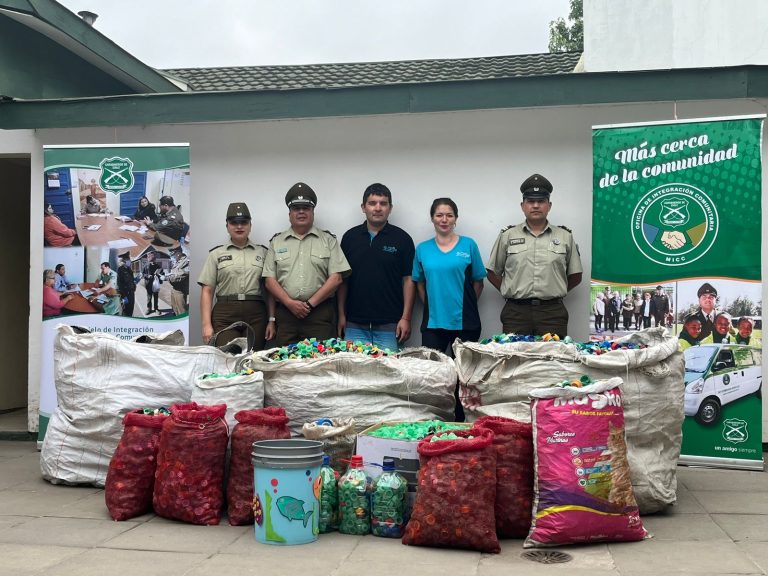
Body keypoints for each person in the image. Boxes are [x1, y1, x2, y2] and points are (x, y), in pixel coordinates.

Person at [486, 173, 582, 337]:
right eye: (530, 201)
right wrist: (509, 290)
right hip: (516, 313)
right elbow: (492, 272)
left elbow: (575, 275)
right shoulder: (507, 236)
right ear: (522, 205)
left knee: (552, 360)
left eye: (541, 201)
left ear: (549, 205)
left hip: (552, 313)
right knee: (515, 360)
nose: (536, 205)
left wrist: (554, 291)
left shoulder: (565, 236)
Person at [264, 183, 351, 347]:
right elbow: (269, 280)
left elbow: (337, 278)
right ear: (289, 213)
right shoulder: (276, 241)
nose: (301, 211)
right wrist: (290, 303)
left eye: (306, 207)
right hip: (286, 316)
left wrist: (309, 304)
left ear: (313, 212)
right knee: (285, 364)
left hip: (319, 315)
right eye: (296, 208)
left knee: (321, 365)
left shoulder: (328, 240)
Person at [338, 183, 415, 351]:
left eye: (383, 203)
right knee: (354, 374)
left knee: (389, 374)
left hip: (391, 324)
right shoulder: (350, 238)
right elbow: (343, 281)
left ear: (390, 208)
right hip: (354, 323)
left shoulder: (402, 239)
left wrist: (406, 318)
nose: (378, 208)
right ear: (363, 207)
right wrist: (341, 315)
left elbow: (409, 280)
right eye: (372, 203)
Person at [199, 203, 275, 349]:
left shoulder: (263, 253)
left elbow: (270, 290)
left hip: (256, 314)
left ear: (250, 225)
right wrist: (206, 325)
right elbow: (207, 291)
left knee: (253, 357)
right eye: (234, 223)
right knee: (228, 356)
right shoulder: (216, 254)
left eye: (244, 222)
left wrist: (271, 320)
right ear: (227, 226)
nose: (239, 226)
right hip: (225, 313)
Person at [167, 245, 190, 317]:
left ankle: (183, 327)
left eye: (173, 254)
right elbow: (173, 273)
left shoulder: (187, 262)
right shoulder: (177, 262)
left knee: (181, 312)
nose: (172, 256)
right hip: (174, 289)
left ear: (178, 253)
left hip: (180, 291)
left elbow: (179, 276)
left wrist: (167, 277)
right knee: (175, 309)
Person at [142, 250, 162, 315]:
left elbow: (161, 273)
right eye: (150, 257)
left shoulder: (158, 266)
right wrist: (147, 276)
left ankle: (156, 308)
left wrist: (160, 276)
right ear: (148, 258)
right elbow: (142, 274)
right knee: (149, 297)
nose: (153, 259)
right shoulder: (146, 265)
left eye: (154, 257)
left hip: (155, 284)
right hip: (148, 284)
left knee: (156, 297)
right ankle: (149, 309)